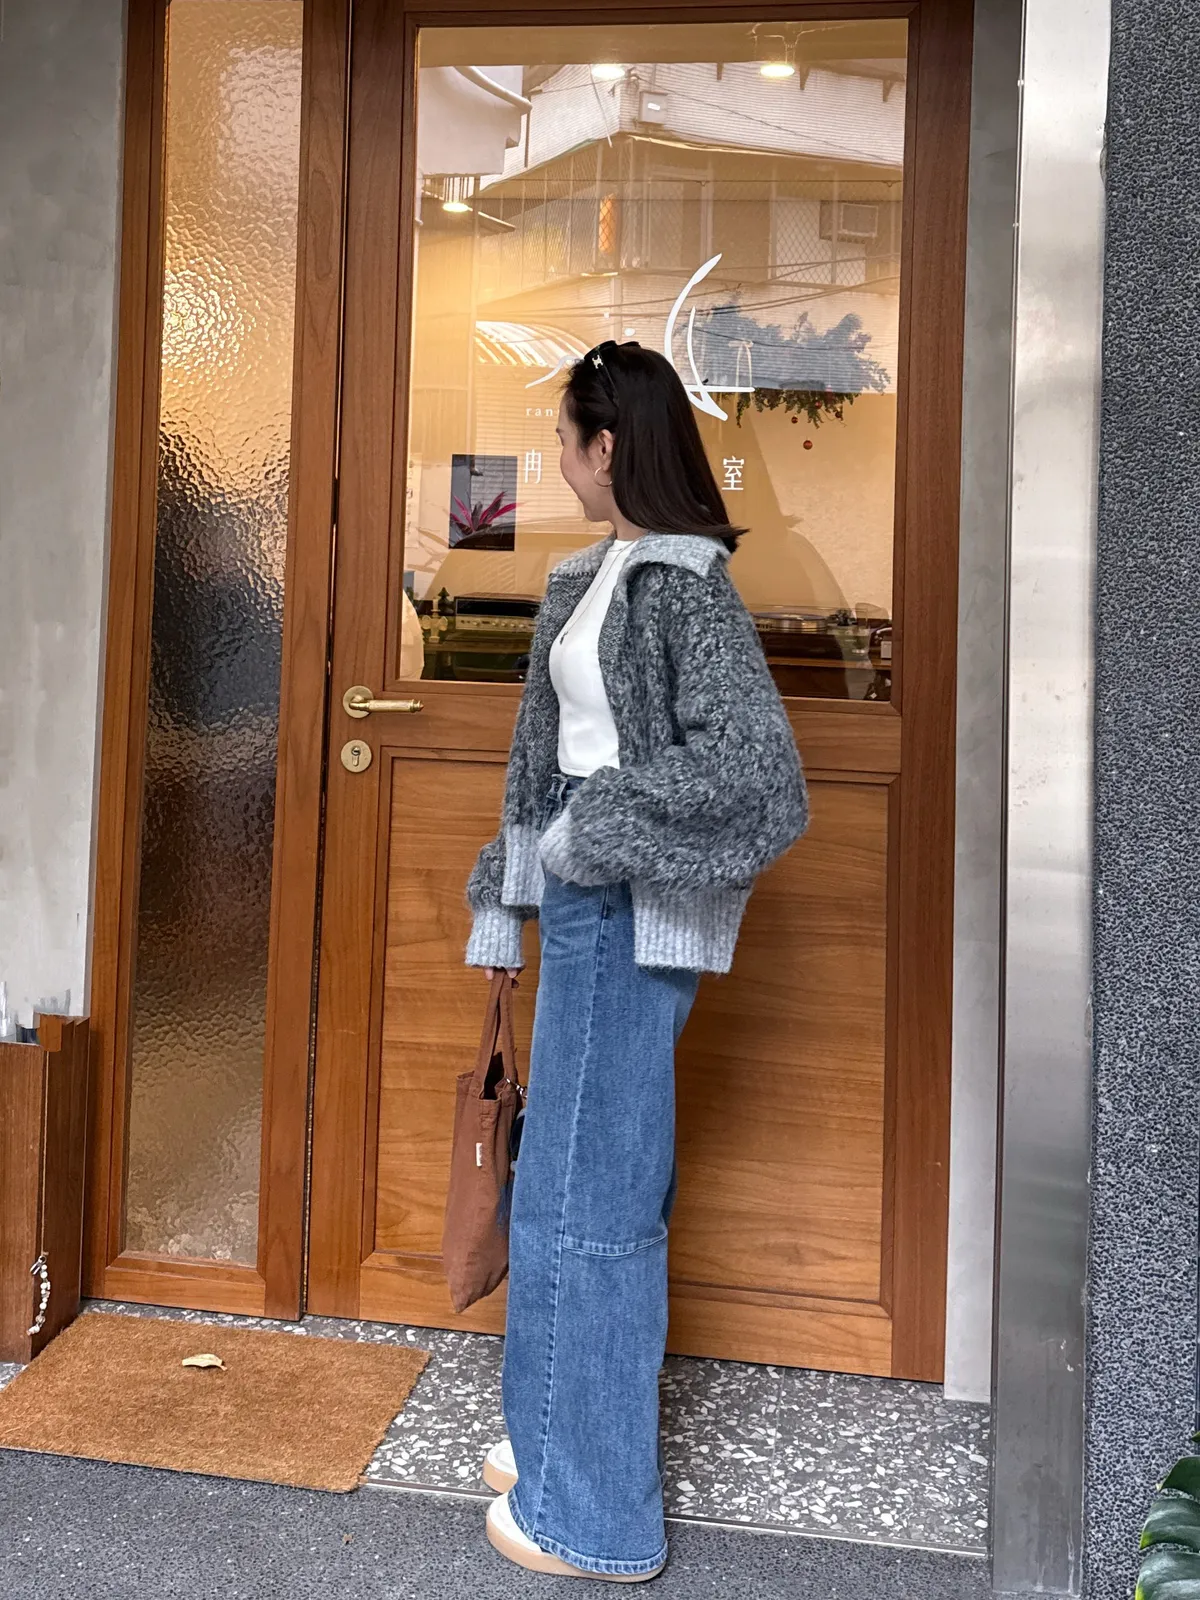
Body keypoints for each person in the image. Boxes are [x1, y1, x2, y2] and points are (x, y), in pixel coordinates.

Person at [464, 341, 809, 1582]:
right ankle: (552, 1437)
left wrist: (596, 834)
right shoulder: (592, 574)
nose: (555, 458)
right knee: (556, 1191)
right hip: (581, 908)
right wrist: (510, 895)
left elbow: (762, 781)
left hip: (626, 915)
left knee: (593, 1202)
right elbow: (544, 764)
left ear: (606, 447)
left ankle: (597, 1515)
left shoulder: (684, 586)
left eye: (564, 439)